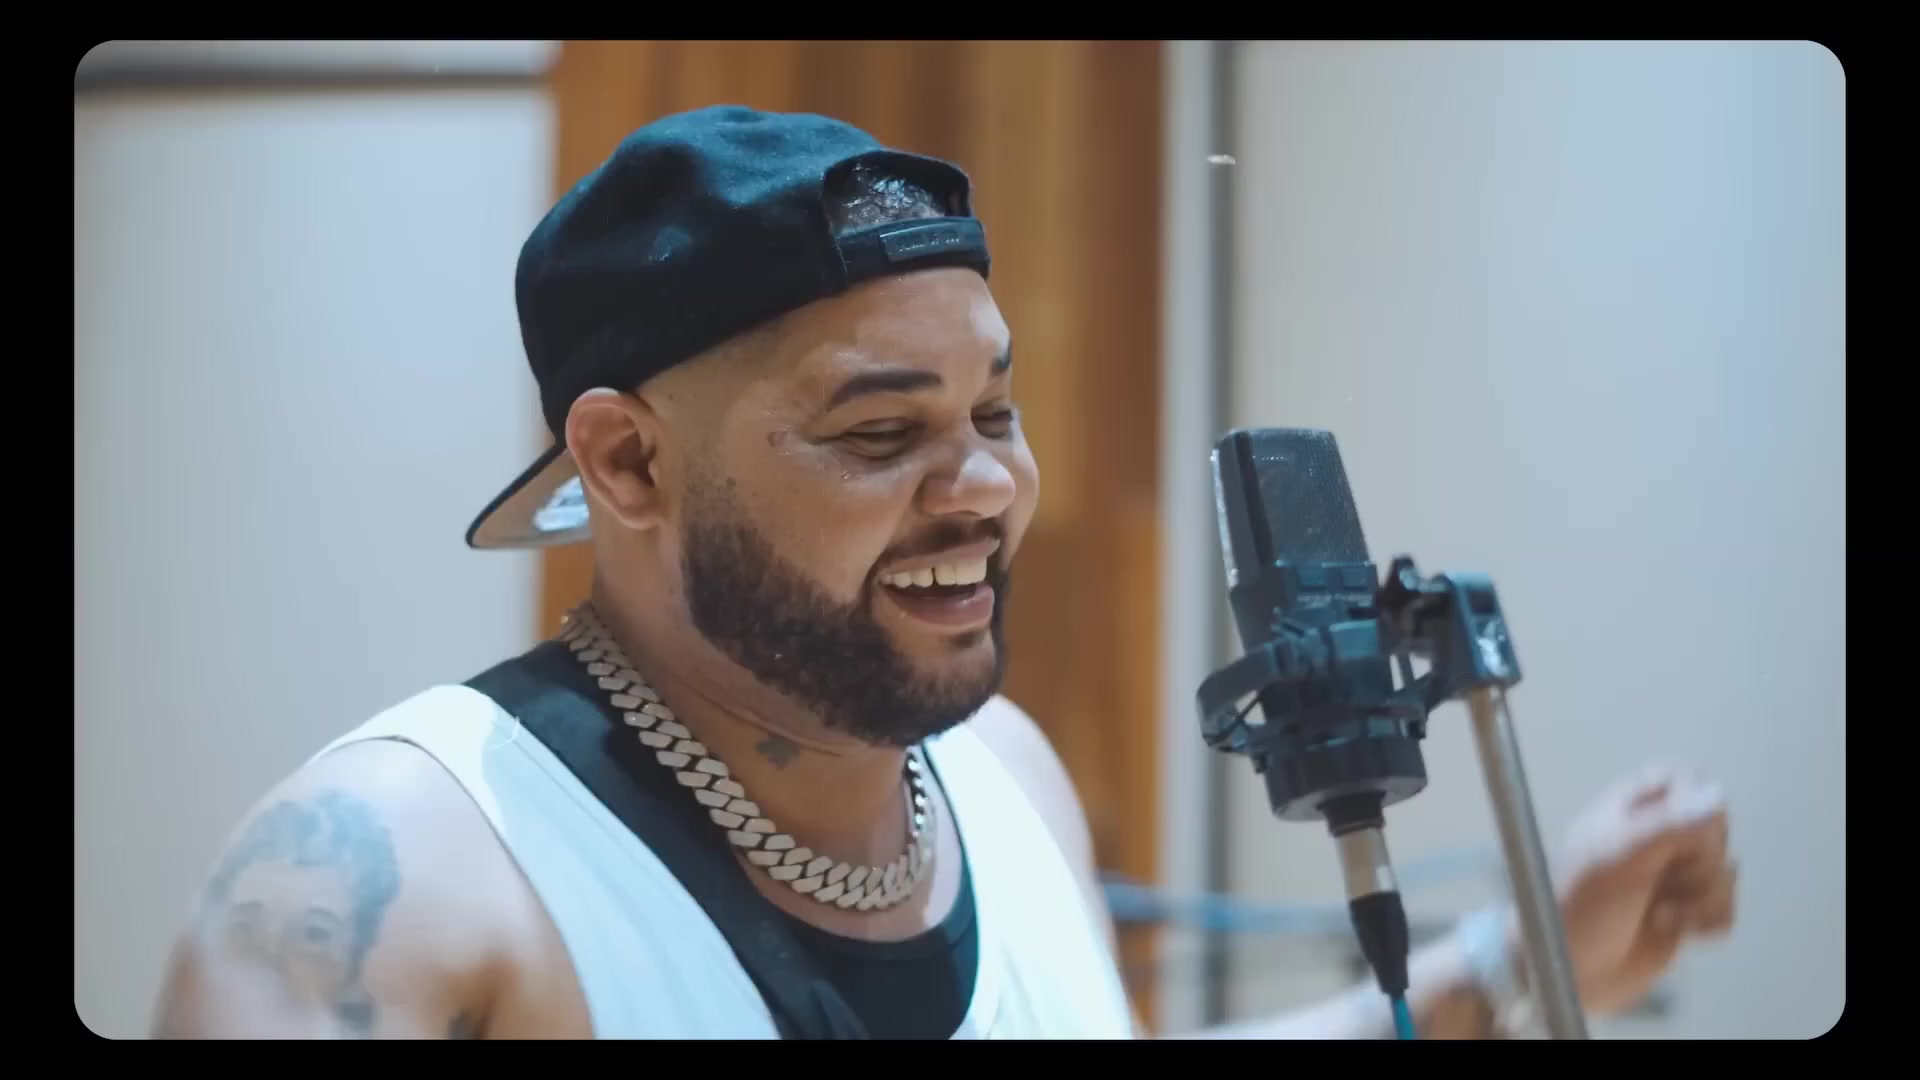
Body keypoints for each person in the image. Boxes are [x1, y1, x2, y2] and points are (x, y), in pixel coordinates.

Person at [149, 105, 1737, 1040]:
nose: (984, 489)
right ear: (626, 463)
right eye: (878, 431)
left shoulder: (1003, 778)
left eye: (995, 412)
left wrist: (1516, 962)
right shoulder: (388, 882)